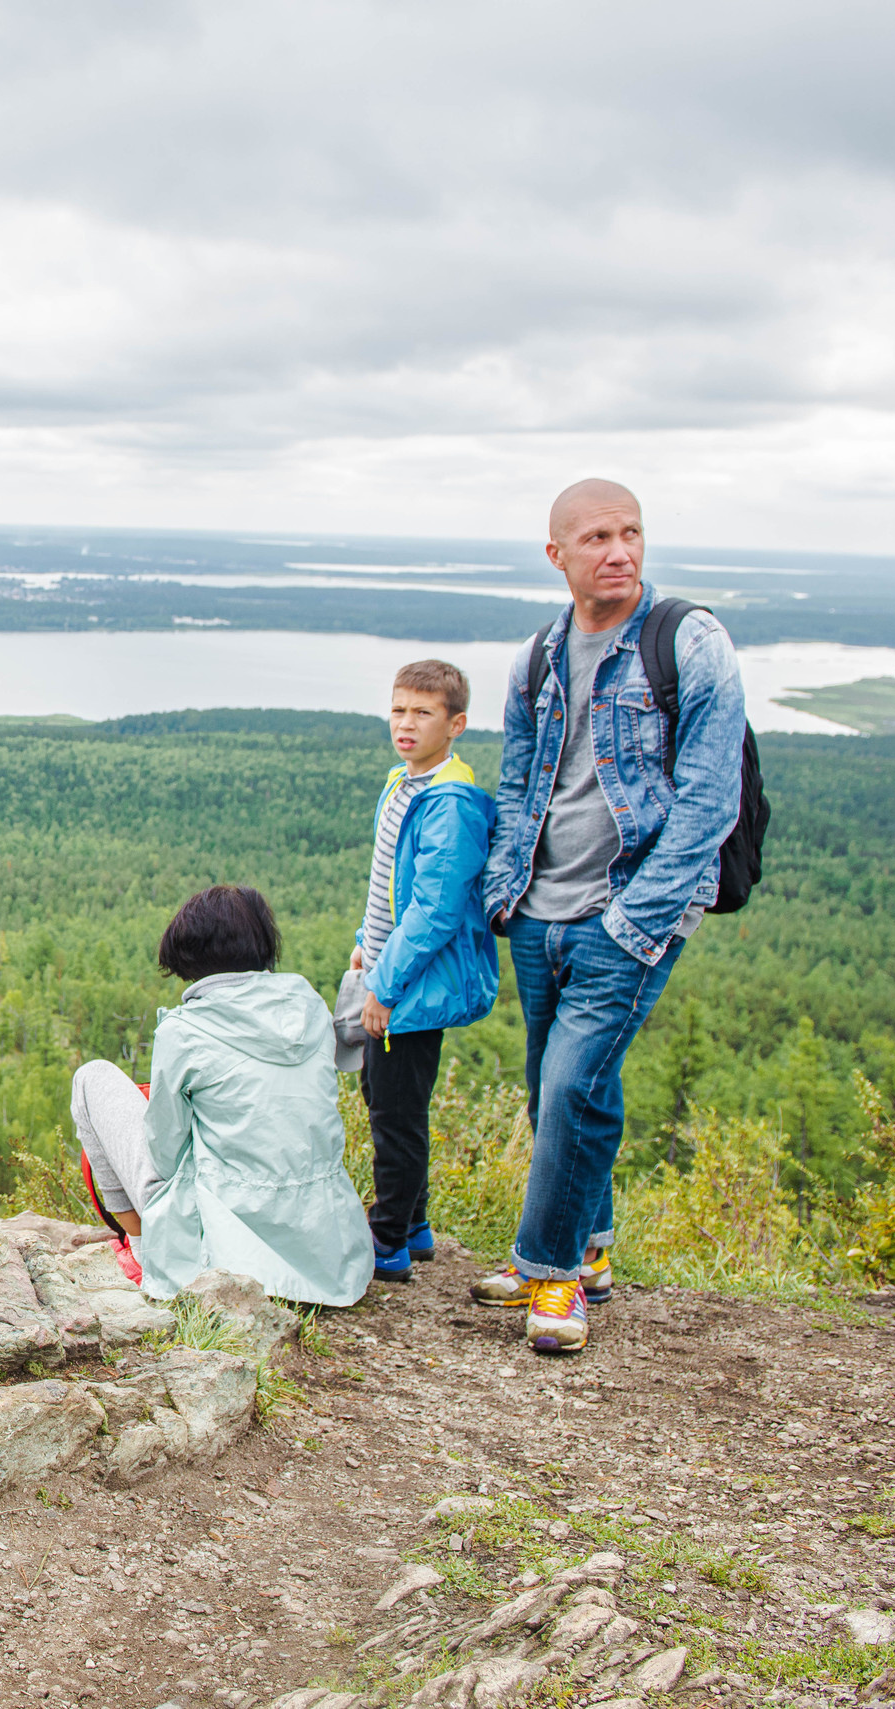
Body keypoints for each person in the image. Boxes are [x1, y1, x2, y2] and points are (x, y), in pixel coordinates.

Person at [475, 479, 746, 1356]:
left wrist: (639, 916)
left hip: (627, 912)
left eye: (631, 533)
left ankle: (550, 1276)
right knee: (557, 1086)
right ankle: (587, 1249)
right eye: (597, 536)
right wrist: (505, 891)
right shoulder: (539, 657)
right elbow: (520, 781)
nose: (620, 550)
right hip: (539, 908)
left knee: (571, 1085)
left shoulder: (689, 642)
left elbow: (711, 797)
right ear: (558, 554)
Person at [71, 886, 374, 1308]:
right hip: (327, 1258)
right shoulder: (311, 1007)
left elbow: (165, 1158)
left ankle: (142, 1250)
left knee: (92, 1078)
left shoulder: (184, 1031)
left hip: (224, 1253)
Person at [349, 661, 498, 1282]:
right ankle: (413, 1223)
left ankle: (387, 1243)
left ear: (455, 724)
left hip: (411, 983)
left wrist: (384, 984)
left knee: (396, 1111)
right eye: (398, 710)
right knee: (385, 1096)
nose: (405, 725)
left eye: (423, 713)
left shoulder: (452, 803)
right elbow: (389, 883)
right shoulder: (404, 783)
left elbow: (435, 909)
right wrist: (365, 943)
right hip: (387, 969)